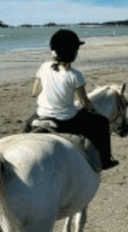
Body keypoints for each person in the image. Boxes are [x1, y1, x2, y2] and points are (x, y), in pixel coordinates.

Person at [28, 29, 117, 169]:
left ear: (54, 52)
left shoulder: (44, 67)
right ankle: (106, 160)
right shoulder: (76, 75)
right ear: (74, 53)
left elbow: (34, 92)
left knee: (24, 131)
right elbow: (84, 102)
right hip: (66, 119)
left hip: (41, 114)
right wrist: (93, 111)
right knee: (102, 123)